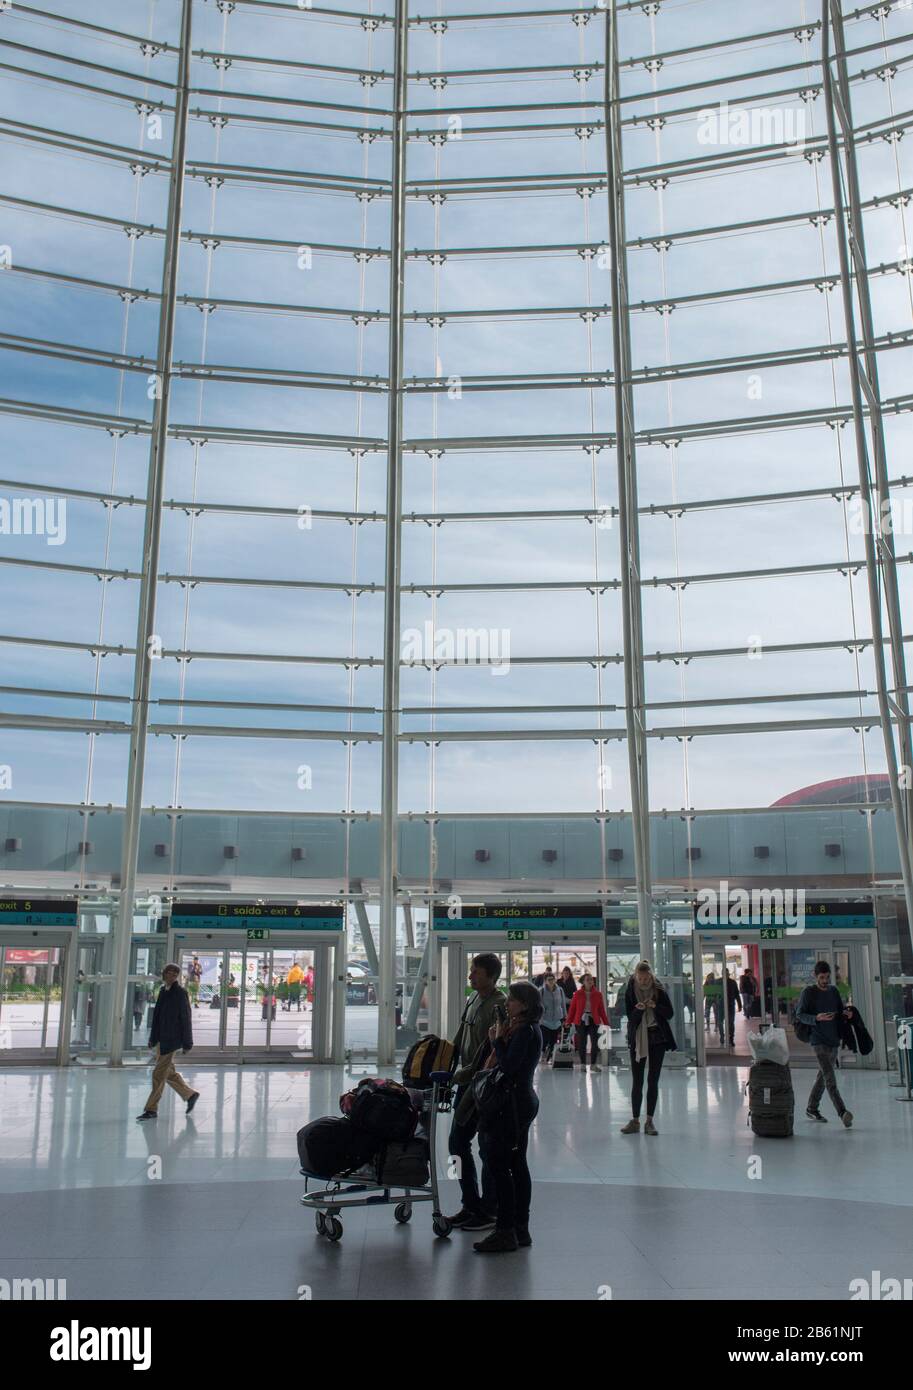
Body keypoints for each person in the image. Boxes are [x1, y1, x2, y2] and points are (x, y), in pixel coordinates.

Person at [473, 982, 543, 1254]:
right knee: (516, 1164)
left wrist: (496, 1042)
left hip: (512, 1105)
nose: (508, 1004)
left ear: (524, 1004)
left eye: (512, 1000)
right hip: (521, 1102)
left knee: (500, 1164)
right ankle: (519, 1228)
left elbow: (510, 1067)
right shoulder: (527, 1029)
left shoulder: (524, 1031)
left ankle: (505, 1230)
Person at [447, 953, 506, 1233]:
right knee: (456, 1144)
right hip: (464, 1084)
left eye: (476, 972)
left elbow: (490, 1051)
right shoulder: (472, 1000)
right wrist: (444, 1062)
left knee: (486, 1147)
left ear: (491, 977)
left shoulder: (500, 1005)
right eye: (471, 970)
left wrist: (462, 1074)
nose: (470, 976)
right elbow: (460, 1037)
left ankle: (488, 1209)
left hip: (484, 1086)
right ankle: (469, 1203)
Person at [136, 963, 199, 1121]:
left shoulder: (180, 993)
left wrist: (187, 1042)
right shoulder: (163, 991)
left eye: (174, 974)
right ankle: (190, 1094)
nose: (170, 976)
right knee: (167, 1072)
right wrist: (153, 1038)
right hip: (162, 1039)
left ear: (176, 976)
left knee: (158, 1074)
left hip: (172, 1040)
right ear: (164, 974)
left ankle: (151, 1109)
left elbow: (186, 1018)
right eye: (168, 973)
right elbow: (157, 1017)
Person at [620, 961, 676, 1135]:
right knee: (637, 1081)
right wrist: (639, 1010)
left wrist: (655, 1006)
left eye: (646, 978)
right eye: (640, 978)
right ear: (636, 977)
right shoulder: (630, 990)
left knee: (653, 1080)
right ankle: (635, 1120)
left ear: (651, 976)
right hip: (638, 1038)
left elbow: (670, 1013)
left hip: (657, 1037)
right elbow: (629, 1015)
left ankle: (649, 1121)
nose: (643, 981)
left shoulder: (659, 990)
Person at [795, 961, 854, 1128]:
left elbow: (839, 1010)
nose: (825, 980)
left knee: (822, 1077)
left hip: (834, 1040)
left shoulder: (833, 991)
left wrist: (846, 1013)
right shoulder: (808, 992)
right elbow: (800, 1015)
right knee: (830, 1078)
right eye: (821, 977)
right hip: (818, 1040)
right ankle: (842, 1112)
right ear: (815, 976)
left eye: (827, 977)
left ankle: (811, 1108)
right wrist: (816, 1018)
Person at [565, 971, 609, 1071]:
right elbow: (572, 1009)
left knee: (595, 1042)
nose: (590, 981)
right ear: (583, 982)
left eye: (591, 980)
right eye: (587, 980)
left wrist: (606, 1022)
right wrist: (568, 1021)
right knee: (582, 1043)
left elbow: (601, 1010)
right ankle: (583, 1065)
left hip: (594, 1020)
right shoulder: (577, 994)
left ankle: (593, 1064)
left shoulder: (598, 994)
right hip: (581, 1020)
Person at [538, 971, 566, 1060]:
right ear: (545, 981)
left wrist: (565, 1016)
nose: (551, 981)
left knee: (554, 1041)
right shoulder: (541, 991)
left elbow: (563, 1004)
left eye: (552, 979)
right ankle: (541, 1056)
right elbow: (538, 1005)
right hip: (545, 1020)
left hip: (557, 1020)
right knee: (544, 1040)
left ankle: (550, 1057)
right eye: (549, 979)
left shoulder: (560, 990)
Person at [721, 968, 742, 1045]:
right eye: (724, 973)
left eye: (727, 973)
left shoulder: (733, 982)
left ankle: (731, 1038)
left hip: (730, 1005)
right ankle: (722, 1036)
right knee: (720, 1022)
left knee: (731, 1022)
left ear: (728, 974)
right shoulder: (719, 982)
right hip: (721, 1005)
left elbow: (737, 994)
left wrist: (740, 1005)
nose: (725, 975)